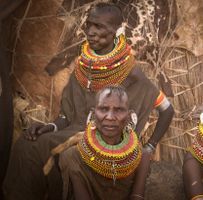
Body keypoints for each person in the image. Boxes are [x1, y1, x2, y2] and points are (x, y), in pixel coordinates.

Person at [3, 3, 174, 200]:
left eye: (99, 27)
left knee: (69, 155)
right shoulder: (83, 69)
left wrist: (149, 147)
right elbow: (66, 117)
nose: (91, 32)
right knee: (26, 145)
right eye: (89, 25)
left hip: (106, 142)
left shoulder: (132, 74)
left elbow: (167, 110)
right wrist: (49, 127)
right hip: (72, 133)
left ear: (117, 31)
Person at [59, 86, 151, 200]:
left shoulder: (141, 156)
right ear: (93, 113)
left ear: (129, 115)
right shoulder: (73, 156)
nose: (110, 117)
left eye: (118, 110)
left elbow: (137, 197)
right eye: (103, 109)